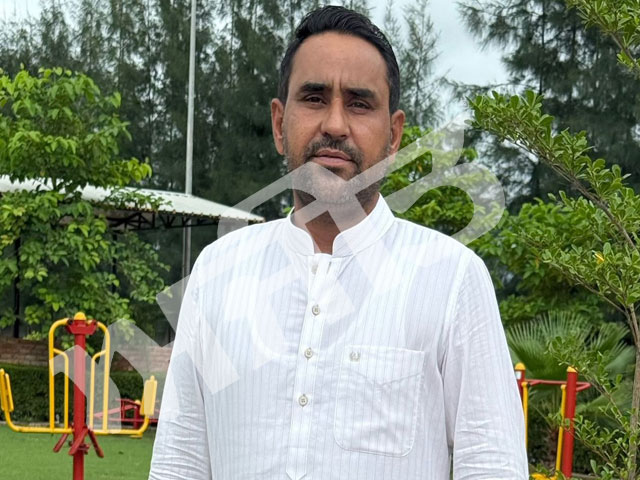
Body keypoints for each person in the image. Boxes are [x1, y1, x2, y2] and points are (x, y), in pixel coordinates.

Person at [149, 5, 528, 479]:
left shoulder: (451, 278)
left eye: (359, 103)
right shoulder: (218, 272)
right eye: (314, 98)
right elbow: (180, 461)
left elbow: (493, 465)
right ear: (279, 124)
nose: (334, 124)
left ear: (394, 136)